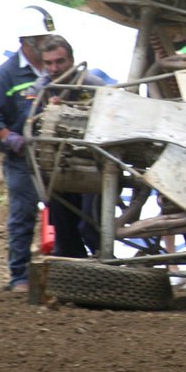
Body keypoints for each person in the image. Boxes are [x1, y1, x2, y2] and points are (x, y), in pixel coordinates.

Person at [0, 6, 55, 292]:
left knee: (63, 214)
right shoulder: (5, 76)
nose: (47, 46)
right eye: (42, 40)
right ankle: (19, 276)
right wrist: (8, 137)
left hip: (56, 158)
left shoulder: (56, 69)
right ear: (26, 41)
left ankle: (63, 269)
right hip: (22, 159)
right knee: (22, 215)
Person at [31, 35, 107, 258]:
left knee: (91, 225)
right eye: (49, 63)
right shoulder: (40, 89)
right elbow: (26, 124)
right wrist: (46, 112)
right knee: (64, 232)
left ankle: (106, 269)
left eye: (60, 61)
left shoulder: (93, 86)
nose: (54, 68)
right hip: (58, 168)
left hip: (92, 167)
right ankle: (74, 277)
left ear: (72, 60)